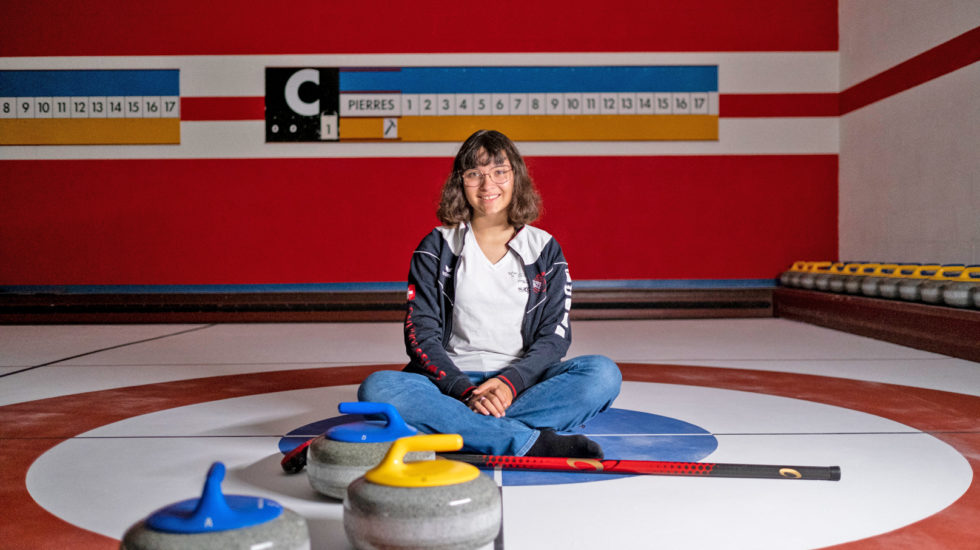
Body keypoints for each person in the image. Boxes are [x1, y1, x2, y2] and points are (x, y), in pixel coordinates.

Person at [358, 129, 621, 458]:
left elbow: (555, 336)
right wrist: (466, 391)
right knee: (378, 389)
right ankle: (525, 441)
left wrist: (510, 383)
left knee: (602, 375)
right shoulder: (437, 246)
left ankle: (465, 429)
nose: (487, 185)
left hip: (525, 383)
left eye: (499, 172)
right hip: (449, 384)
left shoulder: (544, 249)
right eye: (474, 174)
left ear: (516, 178)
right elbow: (419, 334)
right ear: (460, 182)